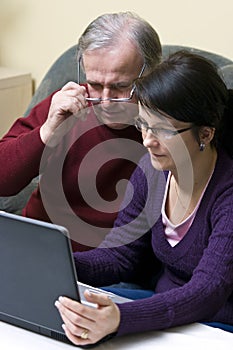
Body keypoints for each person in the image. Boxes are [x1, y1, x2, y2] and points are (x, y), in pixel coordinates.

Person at [54, 50, 233, 346]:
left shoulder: (227, 194)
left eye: (162, 130)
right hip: (160, 311)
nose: (148, 140)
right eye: (144, 125)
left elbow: (208, 289)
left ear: (205, 133)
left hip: (216, 326)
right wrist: (55, 263)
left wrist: (121, 319)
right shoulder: (151, 173)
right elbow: (120, 256)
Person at [0, 12, 162, 251]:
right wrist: (48, 131)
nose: (105, 102)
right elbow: (3, 182)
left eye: (120, 87)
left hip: (111, 266)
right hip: (36, 245)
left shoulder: (170, 125)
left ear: (151, 75)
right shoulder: (68, 103)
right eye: (94, 85)